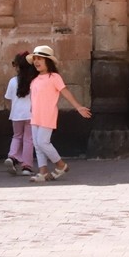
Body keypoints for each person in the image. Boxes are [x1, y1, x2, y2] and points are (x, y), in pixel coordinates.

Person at [26, 45, 92, 182]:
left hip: (48, 115)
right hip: (35, 115)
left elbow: (65, 92)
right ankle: (43, 172)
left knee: (43, 142)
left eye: (40, 59)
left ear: (47, 61)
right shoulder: (34, 80)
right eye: (35, 59)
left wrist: (78, 107)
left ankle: (61, 165)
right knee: (37, 145)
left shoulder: (54, 77)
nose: (36, 62)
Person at [2, 51, 37, 176]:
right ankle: (26, 166)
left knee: (17, 136)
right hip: (31, 114)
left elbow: (9, 97)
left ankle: (12, 157)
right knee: (29, 139)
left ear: (17, 66)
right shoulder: (35, 81)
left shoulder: (12, 81)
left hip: (16, 115)